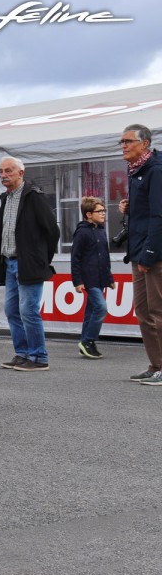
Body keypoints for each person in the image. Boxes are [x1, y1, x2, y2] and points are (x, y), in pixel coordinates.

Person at [0, 156, 60, 371]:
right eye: (1, 171)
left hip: (28, 264)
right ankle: (22, 353)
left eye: (8, 171)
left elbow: (52, 231)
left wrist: (41, 259)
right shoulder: (5, 198)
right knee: (12, 310)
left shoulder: (34, 197)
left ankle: (39, 357)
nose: (4, 175)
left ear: (21, 173)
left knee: (28, 310)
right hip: (10, 262)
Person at [118, 124, 162, 385]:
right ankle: (155, 365)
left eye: (128, 141)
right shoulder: (136, 171)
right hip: (137, 253)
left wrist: (148, 253)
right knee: (143, 312)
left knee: (157, 312)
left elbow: (159, 216)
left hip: (153, 254)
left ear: (144, 144)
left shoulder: (155, 170)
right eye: (121, 142)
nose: (123, 145)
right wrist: (129, 208)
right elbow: (145, 212)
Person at [71, 197, 115, 359]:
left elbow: (105, 257)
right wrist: (77, 281)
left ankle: (85, 342)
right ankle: (89, 341)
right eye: (99, 211)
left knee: (90, 311)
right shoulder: (82, 232)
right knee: (101, 308)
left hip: (100, 279)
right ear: (89, 214)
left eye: (104, 211)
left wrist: (109, 278)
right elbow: (75, 258)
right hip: (88, 279)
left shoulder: (101, 230)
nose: (103, 214)